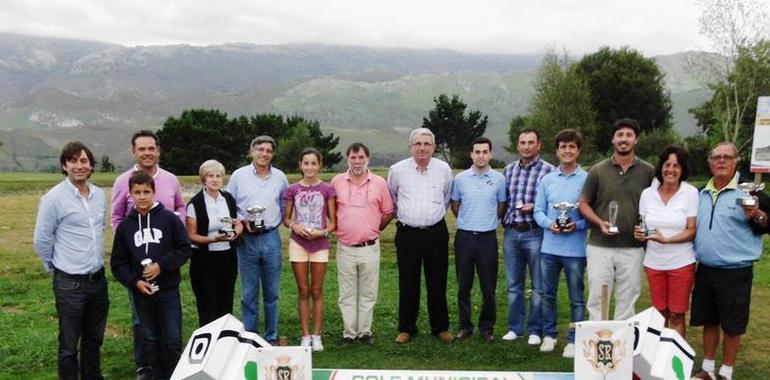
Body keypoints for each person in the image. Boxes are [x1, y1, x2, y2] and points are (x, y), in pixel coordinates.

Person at [690, 142, 770, 380]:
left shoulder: (752, 192)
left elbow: (768, 223)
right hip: (705, 269)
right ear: (710, 163)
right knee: (709, 321)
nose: (721, 161)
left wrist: (756, 213)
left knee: (732, 325)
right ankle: (708, 369)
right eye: (716, 157)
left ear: (736, 161)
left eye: (726, 157)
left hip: (736, 271)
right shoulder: (701, 192)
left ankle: (726, 371)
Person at [110, 129, 186, 377]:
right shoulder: (123, 181)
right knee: (146, 330)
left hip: (167, 279)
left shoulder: (170, 181)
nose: (147, 152)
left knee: (172, 334)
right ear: (134, 151)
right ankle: (147, 368)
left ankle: (173, 371)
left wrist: (164, 263)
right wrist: (133, 273)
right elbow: (118, 220)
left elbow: (180, 214)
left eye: (151, 148)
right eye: (141, 148)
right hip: (139, 278)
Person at [33, 141, 109, 380]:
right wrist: (54, 266)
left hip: (97, 280)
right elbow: (41, 240)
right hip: (69, 285)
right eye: (73, 161)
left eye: (84, 161)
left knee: (94, 340)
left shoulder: (99, 195)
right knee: (68, 345)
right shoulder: (54, 198)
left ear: (91, 166)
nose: (79, 166)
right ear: (64, 165)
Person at [579, 118, 654, 321]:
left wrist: (646, 231)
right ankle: (597, 346)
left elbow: (655, 205)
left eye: (629, 135)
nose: (624, 139)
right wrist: (599, 222)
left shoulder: (648, 171)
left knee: (627, 300)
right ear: (613, 140)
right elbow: (583, 203)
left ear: (636, 140)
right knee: (597, 298)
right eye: (619, 135)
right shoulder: (598, 170)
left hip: (633, 247)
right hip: (600, 246)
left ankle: (622, 348)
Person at [387, 128, 454, 344]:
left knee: (437, 281)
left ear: (434, 147)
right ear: (411, 147)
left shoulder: (444, 169)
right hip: (408, 234)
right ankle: (407, 328)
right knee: (408, 282)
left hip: (435, 232)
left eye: (427, 144)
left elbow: (446, 197)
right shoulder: (397, 170)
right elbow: (393, 198)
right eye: (418, 144)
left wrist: (430, 216)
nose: (422, 148)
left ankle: (440, 327)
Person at [227, 135, 288, 343]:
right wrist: (242, 223)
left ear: (273, 154)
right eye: (260, 149)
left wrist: (274, 221)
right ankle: (250, 336)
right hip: (246, 240)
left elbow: (283, 204)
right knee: (249, 291)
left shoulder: (280, 177)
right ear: (252, 151)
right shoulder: (238, 176)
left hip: (270, 237)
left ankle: (271, 336)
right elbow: (229, 204)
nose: (264, 154)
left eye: (269, 150)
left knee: (272, 291)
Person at [331, 142, 394, 345]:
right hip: (345, 246)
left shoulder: (379, 183)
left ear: (368, 158)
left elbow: (388, 212)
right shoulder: (337, 181)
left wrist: (374, 229)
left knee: (368, 292)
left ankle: (365, 332)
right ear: (347, 158)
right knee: (346, 293)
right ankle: (349, 333)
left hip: (369, 247)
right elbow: (329, 211)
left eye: (361, 158)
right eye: (353, 157)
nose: (357, 161)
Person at [533, 129, 588, 358]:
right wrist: (549, 224)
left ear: (578, 151)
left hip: (575, 250)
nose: (567, 151)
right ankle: (550, 335)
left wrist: (579, 225)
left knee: (576, 296)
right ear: (556, 151)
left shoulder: (587, 179)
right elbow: (538, 211)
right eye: (563, 147)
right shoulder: (547, 179)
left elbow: (592, 213)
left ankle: (575, 340)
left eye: (571, 147)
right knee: (548, 294)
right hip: (549, 249)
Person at [633, 146, 697, 338]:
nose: (670, 169)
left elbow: (691, 230)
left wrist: (667, 240)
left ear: (682, 169)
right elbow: (642, 226)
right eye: (667, 164)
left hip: (681, 263)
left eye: (676, 165)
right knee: (660, 314)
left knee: (677, 315)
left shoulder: (690, 193)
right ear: (661, 167)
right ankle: (659, 359)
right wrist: (640, 234)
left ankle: (676, 362)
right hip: (654, 263)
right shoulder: (647, 194)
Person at [450, 137, 506, 342]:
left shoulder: (499, 179)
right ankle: (465, 326)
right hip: (465, 236)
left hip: (487, 238)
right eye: (477, 152)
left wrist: (485, 221)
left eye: (485, 152)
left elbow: (501, 207)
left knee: (488, 285)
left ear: (490, 154)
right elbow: (455, 206)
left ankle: (486, 327)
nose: (481, 155)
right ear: (471, 154)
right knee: (463, 285)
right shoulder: (461, 179)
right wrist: (468, 220)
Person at [500, 128, 553, 344]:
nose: (526, 146)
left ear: (539, 145)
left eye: (531, 142)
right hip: (512, 233)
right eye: (523, 142)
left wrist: (536, 207)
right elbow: (504, 201)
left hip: (535, 232)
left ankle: (534, 329)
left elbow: (555, 203)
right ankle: (515, 328)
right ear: (517, 145)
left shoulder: (549, 171)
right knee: (514, 285)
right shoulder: (508, 170)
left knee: (538, 285)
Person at [283, 148, 337, 352]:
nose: (310, 167)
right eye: (306, 163)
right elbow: (286, 218)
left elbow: (333, 222)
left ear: (320, 165)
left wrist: (321, 233)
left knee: (317, 290)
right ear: (300, 165)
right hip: (298, 243)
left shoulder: (327, 189)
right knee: (303, 290)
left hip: (319, 244)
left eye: (314, 163)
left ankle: (317, 335)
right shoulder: (292, 189)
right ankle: (305, 335)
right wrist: (294, 226)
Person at [186, 160, 243, 326]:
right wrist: (212, 239)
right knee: (208, 303)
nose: (215, 179)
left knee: (226, 301)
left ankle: (225, 340)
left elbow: (237, 222)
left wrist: (237, 231)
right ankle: (209, 344)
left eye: (218, 176)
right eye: (210, 176)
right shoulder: (195, 203)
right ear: (203, 178)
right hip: (204, 260)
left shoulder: (228, 199)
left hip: (227, 257)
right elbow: (191, 235)